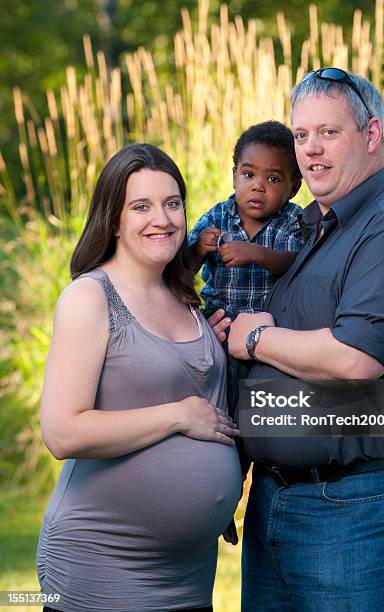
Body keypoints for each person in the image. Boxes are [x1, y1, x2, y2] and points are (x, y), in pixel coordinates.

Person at [228, 68, 384, 611]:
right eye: (301, 136)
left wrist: (256, 338)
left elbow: (356, 357)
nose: (310, 151)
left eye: (328, 133)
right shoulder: (310, 227)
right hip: (276, 500)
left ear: (371, 135)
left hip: (352, 506)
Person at [36, 143, 242, 612]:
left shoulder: (186, 298)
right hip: (101, 570)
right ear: (114, 219)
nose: (163, 219)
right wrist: (178, 416)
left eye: (172, 204)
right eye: (141, 206)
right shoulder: (90, 297)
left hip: (188, 577)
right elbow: (62, 431)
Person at [187, 120, 303, 321]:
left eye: (273, 179)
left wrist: (258, 254)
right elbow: (184, 271)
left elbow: (296, 264)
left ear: (293, 188)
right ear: (234, 177)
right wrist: (197, 249)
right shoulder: (216, 217)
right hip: (219, 320)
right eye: (248, 175)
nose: (258, 186)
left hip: (272, 326)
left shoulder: (291, 220)